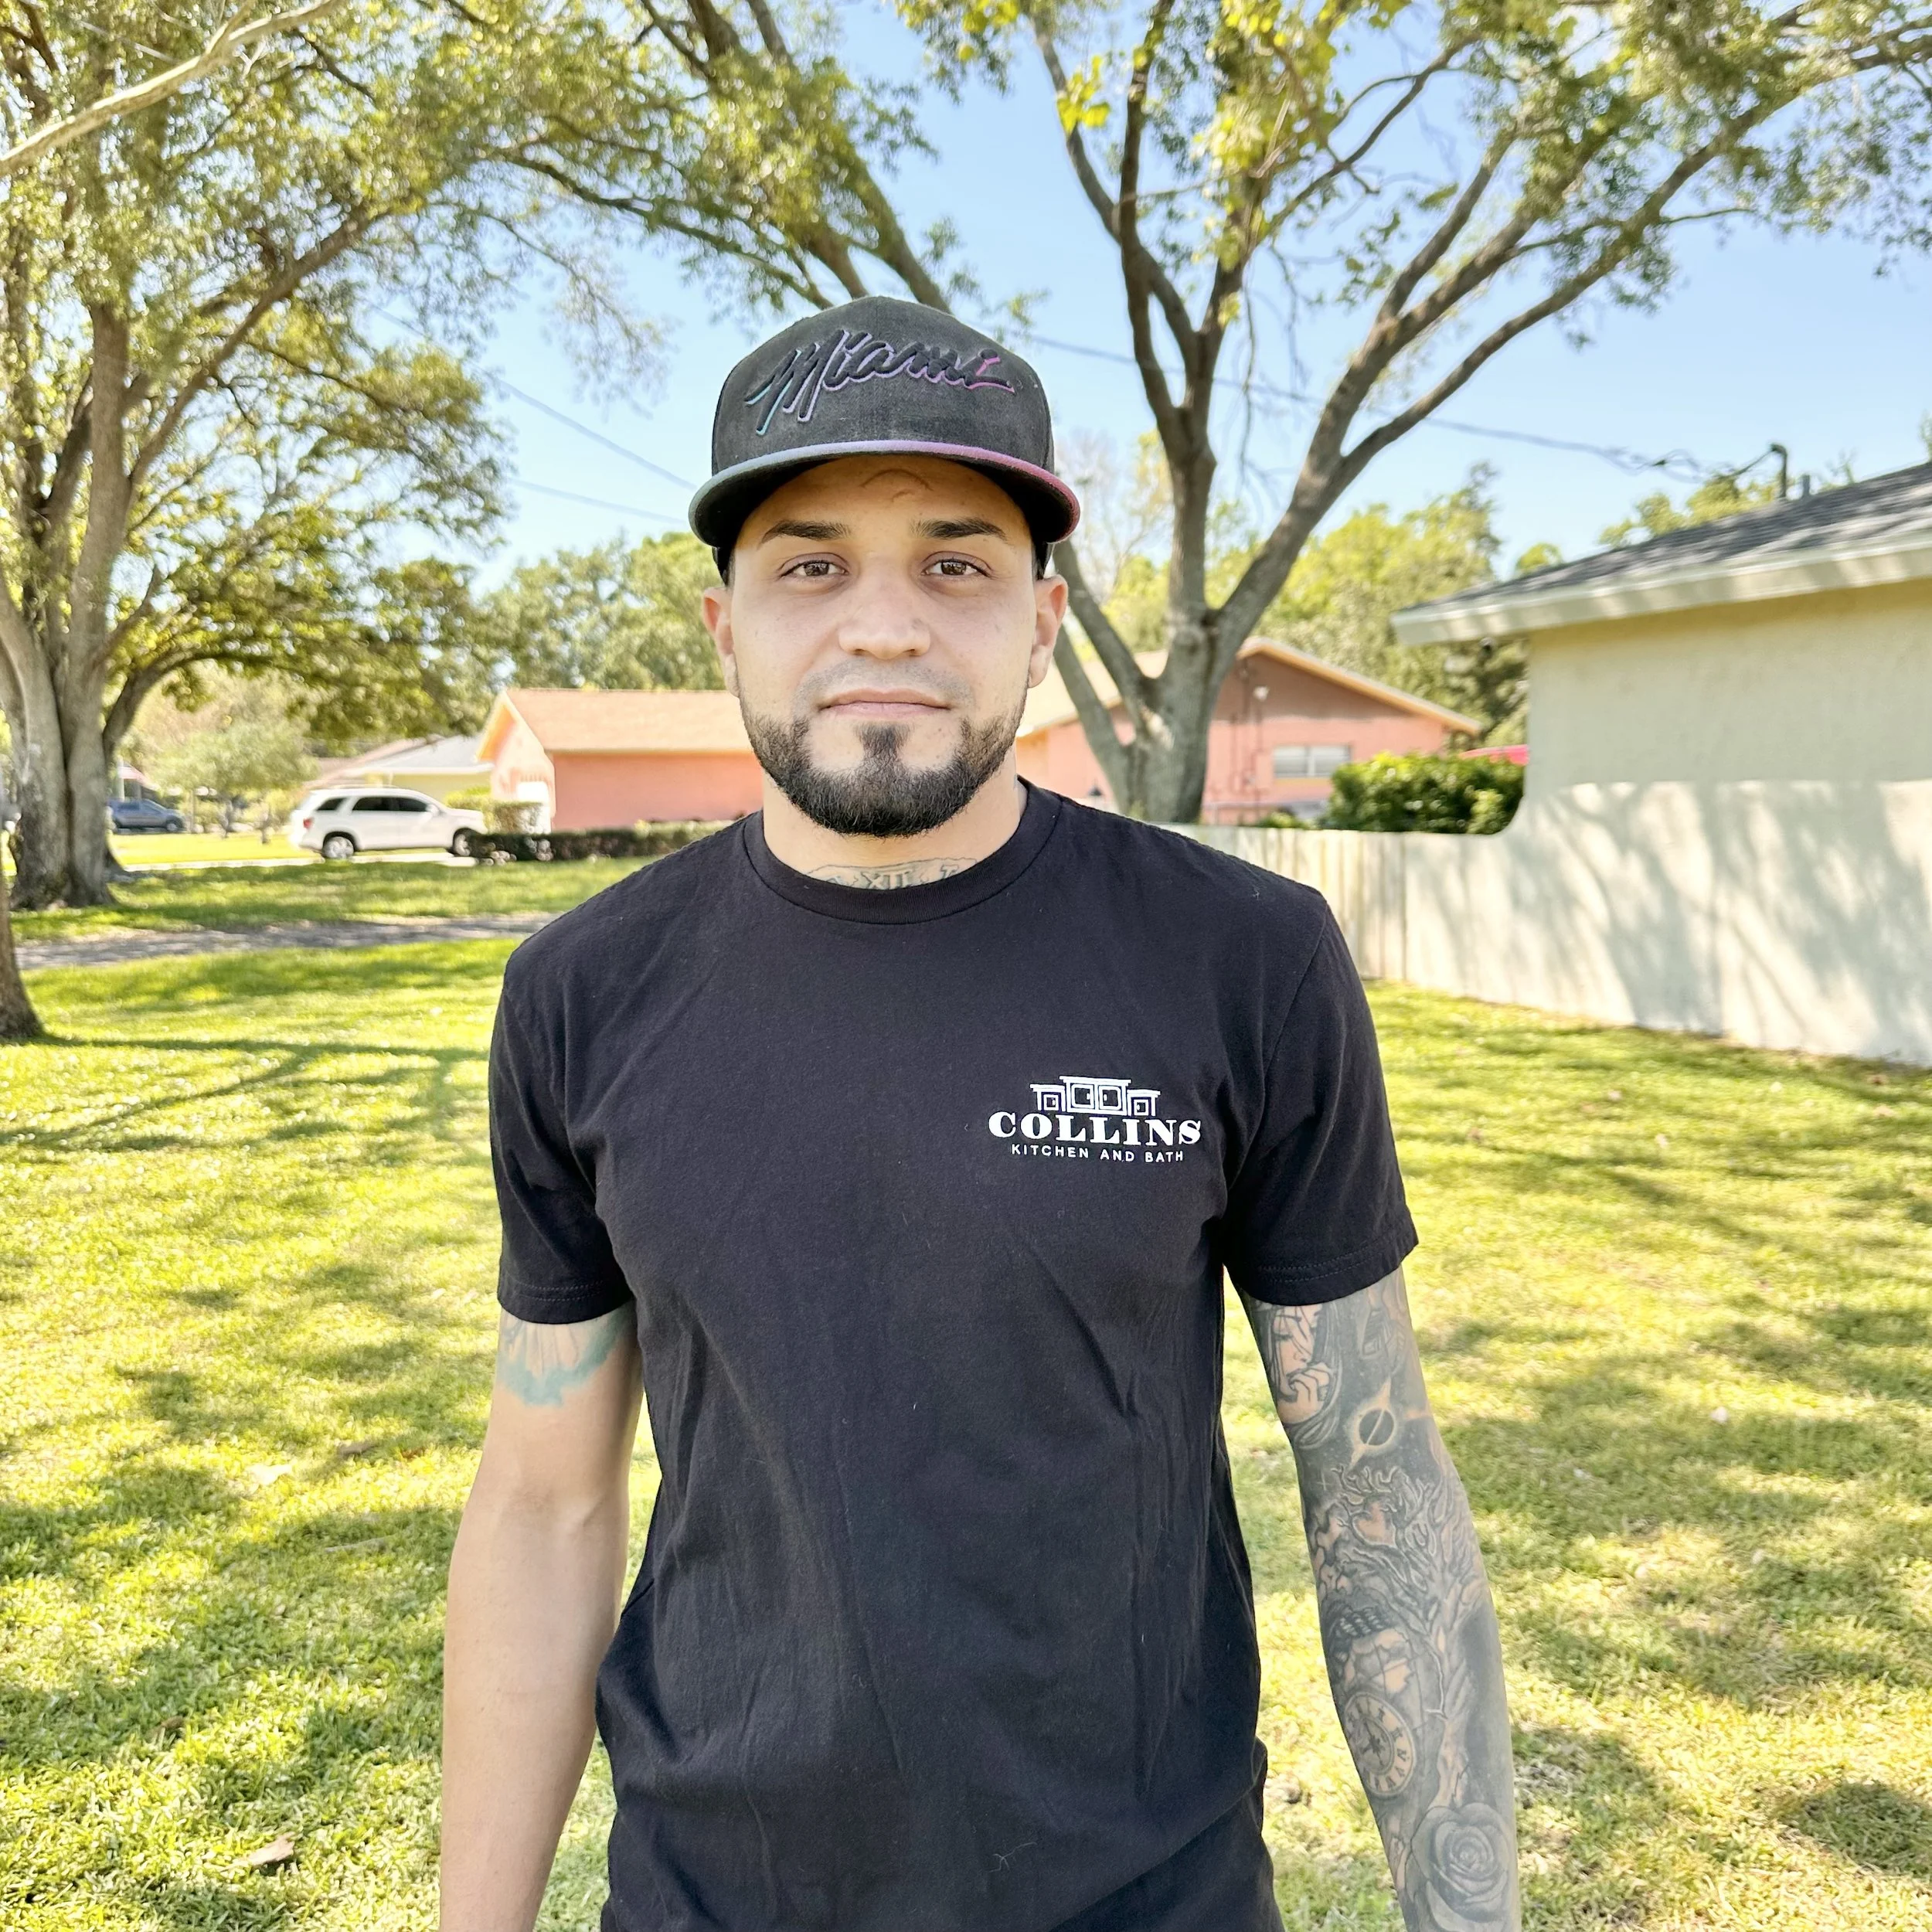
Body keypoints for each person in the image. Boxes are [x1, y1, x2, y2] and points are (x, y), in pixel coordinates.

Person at [441, 297, 1519, 1932]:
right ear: (724, 625)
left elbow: (1373, 1484)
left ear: (1041, 619)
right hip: (713, 1895)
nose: (884, 626)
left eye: (956, 564)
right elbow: (545, 1500)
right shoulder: (583, 993)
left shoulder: (1241, 960)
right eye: (811, 564)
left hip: (1145, 1898)